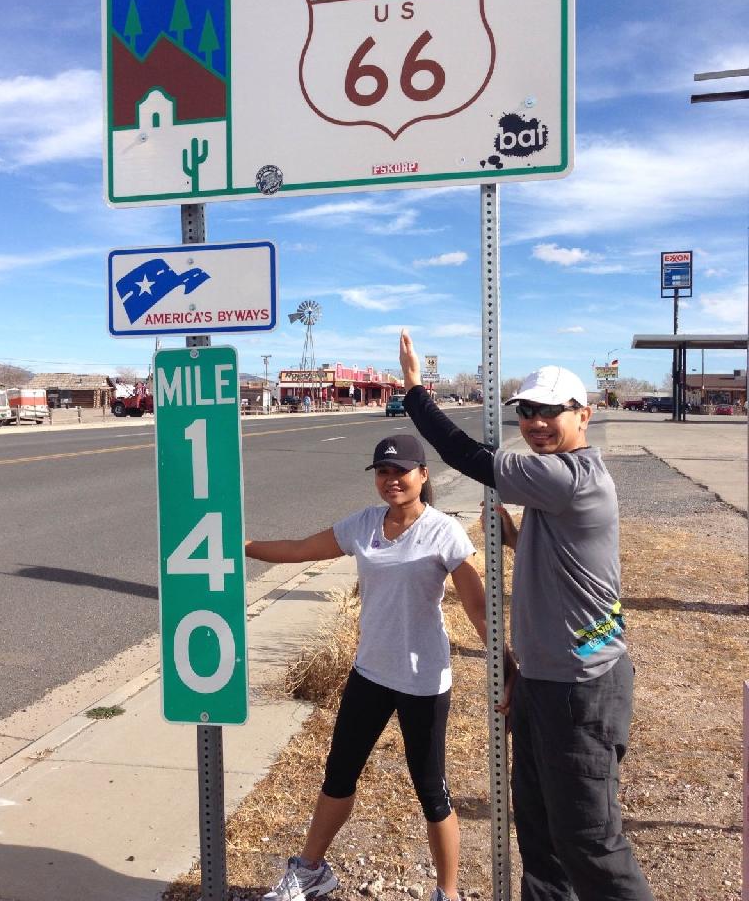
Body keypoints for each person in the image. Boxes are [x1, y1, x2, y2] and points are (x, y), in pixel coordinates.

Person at [398, 331, 654, 901]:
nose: (535, 421)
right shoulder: (557, 485)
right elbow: (565, 556)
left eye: (549, 411)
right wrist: (514, 539)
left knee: (589, 842)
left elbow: (466, 455)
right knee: (539, 837)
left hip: (581, 687)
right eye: (526, 411)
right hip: (546, 681)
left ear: (583, 415)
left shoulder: (568, 477)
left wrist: (415, 392)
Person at [246, 434, 487, 901]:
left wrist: (507, 665)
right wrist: (243, 546)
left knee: (432, 792)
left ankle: (448, 893)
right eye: (382, 472)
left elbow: (478, 609)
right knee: (339, 774)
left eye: (401, 471)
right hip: (370, 673)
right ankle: (312, 870)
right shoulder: (364, 524)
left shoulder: (444, 532)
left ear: (422, 475)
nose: (391, 480)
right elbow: (300, 550)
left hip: (422, 681)